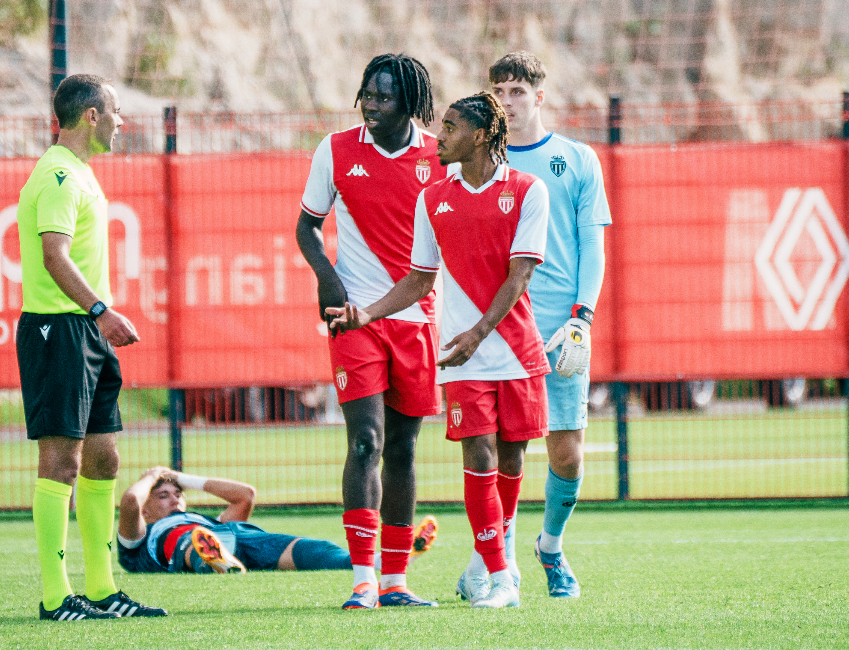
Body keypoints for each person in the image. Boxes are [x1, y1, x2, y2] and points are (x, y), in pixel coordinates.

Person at [328, 91, 550, 609]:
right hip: (460, 357)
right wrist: (368, 312)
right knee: (479, 455)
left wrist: (479, 333)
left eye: (449, 128)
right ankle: (502, 580)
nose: (438, 137)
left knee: (511, 466)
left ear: (478, 135)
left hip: (514, 350)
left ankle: (488, 563)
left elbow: (520, 276)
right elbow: (419, 281)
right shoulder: (433, 198)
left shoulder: (527, 190)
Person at [295, 53, 448, 609]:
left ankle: (396, 582)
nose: (374, 106)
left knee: (404, 451)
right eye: (368, 96)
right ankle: (362, 581)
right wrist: (329, 282)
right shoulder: (335, 149)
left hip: (417, 320)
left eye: (385, 98)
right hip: (354, 319)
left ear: (410, 103)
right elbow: (306, 229)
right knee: (366, 440)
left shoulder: (438, 155)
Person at [15, 73, 165, 621]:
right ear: (91, 116)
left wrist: (98, 319)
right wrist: (102, 311)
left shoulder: (80, 173)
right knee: (61, 462)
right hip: (59, 329)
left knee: (104, 458)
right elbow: (55, 255)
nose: (123, 121)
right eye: (116, 111)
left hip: (87, 333)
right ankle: (57, 598)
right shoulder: (57, 175)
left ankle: (102, 590)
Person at [486, 51, 612, 598]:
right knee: (498, 449)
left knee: (567, 452)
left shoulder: (577, 159)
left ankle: (551, 548)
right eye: (499, 93)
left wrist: (582, 316)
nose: (508, 103)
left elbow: (592, 244)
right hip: (499, 325)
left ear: (539, 97)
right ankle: (501, 563)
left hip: (562, 327)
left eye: (517, 92)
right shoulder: (479, 161)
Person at [116, 467, 439, 578]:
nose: (174, 499)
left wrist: (180, 477)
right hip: (191, 542)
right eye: (163, 496)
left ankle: (386, 560)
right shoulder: (140, 540)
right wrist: (151, 477)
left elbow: (246, 495)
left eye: (178, 494)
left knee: (316, 549)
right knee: (193, 541)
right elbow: (130, 501)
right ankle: (212, 562)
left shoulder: (209, 521)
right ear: (147, 511)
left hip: (233, 538)